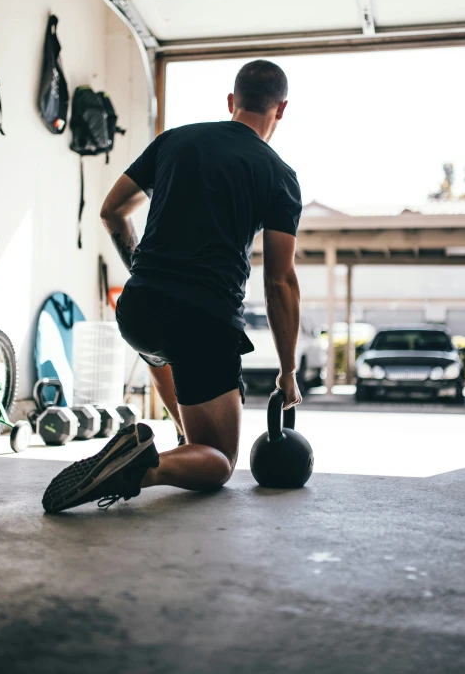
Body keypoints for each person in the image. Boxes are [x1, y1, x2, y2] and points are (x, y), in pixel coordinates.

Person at [42, 59, 302, 514]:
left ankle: (183, 441)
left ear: (231, 102)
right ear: (280, 110)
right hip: (203, 320)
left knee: (166, 351)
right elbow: (279, 282)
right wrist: (288, 371)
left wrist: (140, 267)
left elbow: (111, 211)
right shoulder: (278, 175)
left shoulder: (175, 140)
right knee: (220, 462)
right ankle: (146, 467)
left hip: (139, 309)